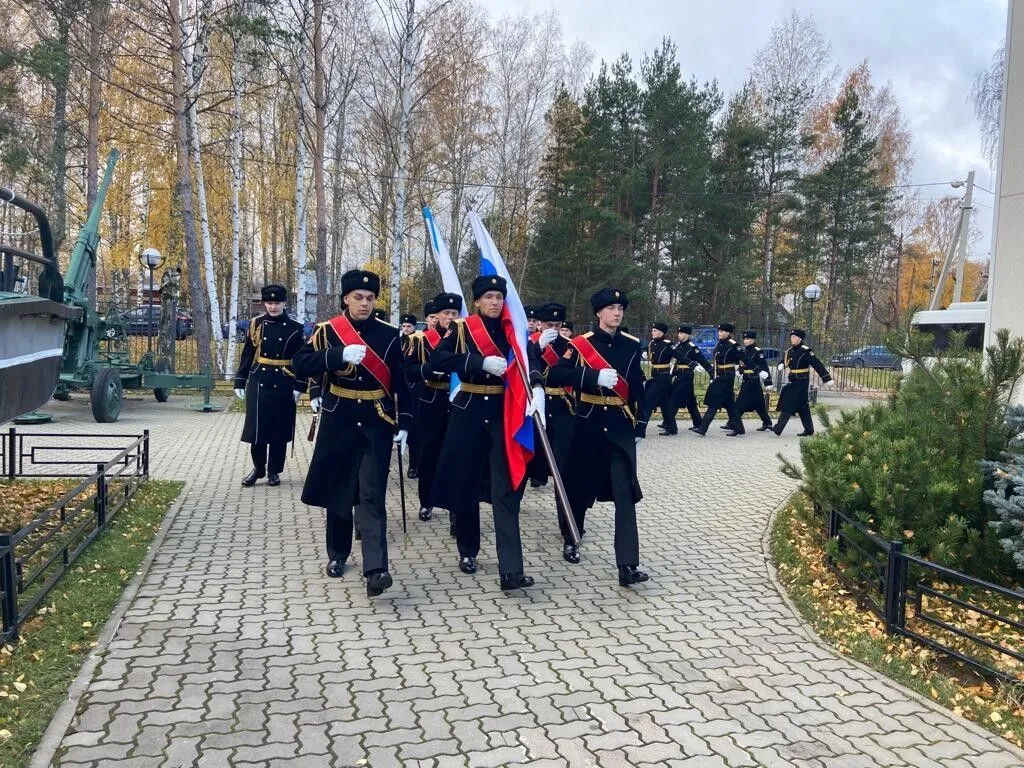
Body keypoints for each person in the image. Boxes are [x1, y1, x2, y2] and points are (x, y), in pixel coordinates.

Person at [293, 270, 412, 597]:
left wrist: (405, 424)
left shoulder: (388, 335)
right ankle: (338, 554)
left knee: (372, 496)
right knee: (340, 491)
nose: (364, 303)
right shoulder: (327, 332)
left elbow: (401, 383)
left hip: (376, 421)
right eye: (358, 297)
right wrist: (337, 355)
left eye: (370, 298)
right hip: (339, 419)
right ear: (346, 298)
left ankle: (376, 569)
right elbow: (300, 364)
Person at [429, 275, 534, 591]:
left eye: (498, 297)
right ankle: (467, 550)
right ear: (476, 301)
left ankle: (511, 570)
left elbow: (532, 361)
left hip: (504, 413)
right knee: (466, 484)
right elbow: (439, 359)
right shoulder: (461, 329)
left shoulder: (510, 330)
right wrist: (478, 362)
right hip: (469, 410)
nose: (494, 302)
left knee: (506, 490)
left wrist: (538, 386)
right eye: (488, 297)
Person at [547, 288, 650, 586]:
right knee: (578, 489)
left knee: (625, 495)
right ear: (598, 313)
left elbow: (637, 384)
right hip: (588, 423)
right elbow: (556, 375)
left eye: (620, 308)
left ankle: (627, 565)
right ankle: (571, 537)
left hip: (619, 426)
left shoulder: (631, 345)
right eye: (611, 308)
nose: (617, 313)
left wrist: (640, 423)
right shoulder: (580, 345)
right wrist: (591, 378)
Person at [234, 284, 307, 487]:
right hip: (259, 381)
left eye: (277, 303)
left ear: (284, 303)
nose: (273, 307)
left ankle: (274, 471)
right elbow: (248, 353)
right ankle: (258, 468)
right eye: (269, 303)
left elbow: (301, 359)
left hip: (284, 381)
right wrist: (240, 380)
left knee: (279, 429)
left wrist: (300, 386)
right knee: (257, 430)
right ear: (264, 303)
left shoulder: (295, 328)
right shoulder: (255, 324)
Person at [405, 291, 461, 523]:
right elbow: (407, 370)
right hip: (431, 399)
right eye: (445, 313)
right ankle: (426, 502)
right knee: (429, 454)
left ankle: (455, 507)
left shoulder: (465, 337)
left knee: (456, 456)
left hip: (458, 400)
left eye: (454, 313)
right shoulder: (419, 340)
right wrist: (428, 370)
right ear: (436, 316)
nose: (450, 317)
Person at [527, 302, 577, 557]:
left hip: (561, 410)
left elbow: (571, 375)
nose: (554, 329)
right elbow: (523, 367)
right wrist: (538, 346)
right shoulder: (529, 344)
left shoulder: (570, 347)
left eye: (558, 326)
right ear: (539, 324)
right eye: (549, 325)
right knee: (524, 464)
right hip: (533, 410)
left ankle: (568, 527)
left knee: (562, 471)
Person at [773, 329, 832, 437]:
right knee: (802, 407)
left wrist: (826, 378)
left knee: (789, 403)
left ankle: (778, 428)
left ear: (800, 338)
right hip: (793, 381)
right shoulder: (790, 350)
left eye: (794, 337)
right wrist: (781, 364)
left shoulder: (806, 351)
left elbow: (817, 364)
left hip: (801, 382)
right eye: (791, 337)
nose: (792, 339)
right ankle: (809, 429)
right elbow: (786, 361)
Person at [692, 322, 746, 436]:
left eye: (722, 331)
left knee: (714, 403)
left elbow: (744, 358)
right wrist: (714, 375)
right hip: (720, 376)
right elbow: (716, 362)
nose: (719, 333)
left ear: (728, 332)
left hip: (727, 377)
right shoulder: (719, 344)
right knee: (730, 404)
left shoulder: (733, 345)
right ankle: (739, 428)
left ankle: (703, 428)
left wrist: (755, 369)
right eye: (719, 331)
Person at [662, 325, 712, 435]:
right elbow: (676, 362)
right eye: (678, 333)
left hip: (686, 376)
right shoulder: (678, 346)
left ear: (687, 334)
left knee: (673, 400)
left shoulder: (691, 347)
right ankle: (698, 423)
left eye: (682, 333)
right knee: (691, 403)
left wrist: (711, 373)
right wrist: (672, 374)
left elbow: (702, 360)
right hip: (679, 375)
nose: (679, 335)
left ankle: (668, 424)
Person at [733, 330, 774, 433]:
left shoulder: (757, 351)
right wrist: (740, 371)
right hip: (746, 378)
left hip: (753, 380)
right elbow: (744, 364)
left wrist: (768, 382)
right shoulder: (744, 351)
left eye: (748, 339)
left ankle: (732, 422)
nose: (745, 341)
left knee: (740, 402)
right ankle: (767, 422)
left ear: (753, 340)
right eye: (744, 339)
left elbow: (763, 366)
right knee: (759, 404)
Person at [644, 322, 675, 434]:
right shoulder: (652, 343)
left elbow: (679, 355)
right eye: (652, 330)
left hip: (663, 377)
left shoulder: (667, 345)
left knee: (648, 401)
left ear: (662, 332)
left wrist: (691, 363)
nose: (652, 332)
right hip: (655, 376)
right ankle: (672, 428)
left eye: (655, 330)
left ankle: (640, 429)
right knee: (665, 403)